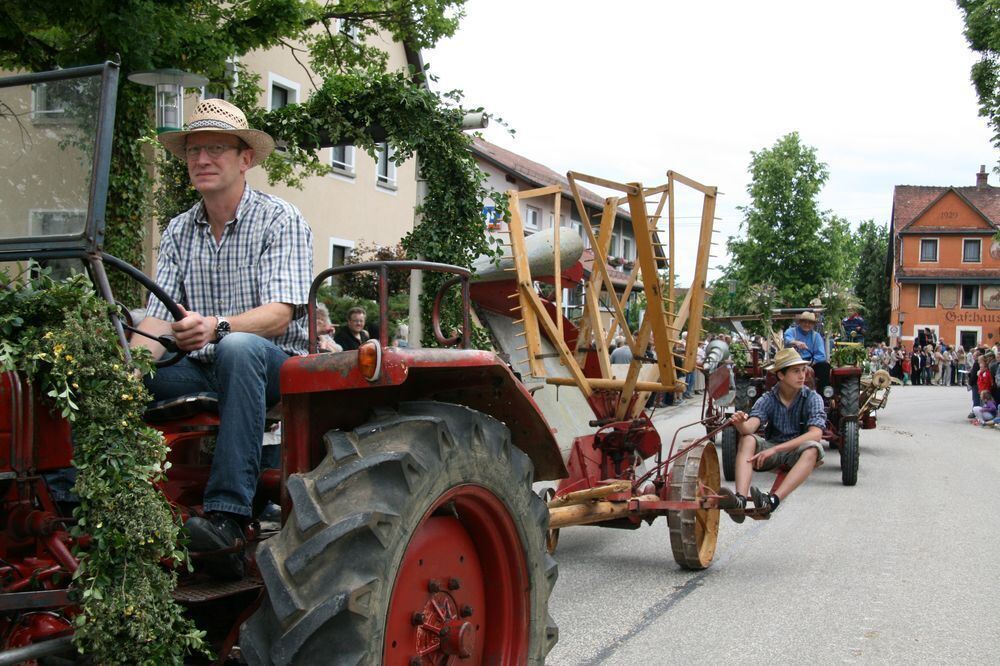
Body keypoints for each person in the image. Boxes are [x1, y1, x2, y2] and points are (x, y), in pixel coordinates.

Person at [133, 99, 313, 578]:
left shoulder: (280, 219)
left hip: (278, 365)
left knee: (237, 347)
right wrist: (127, 371)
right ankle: (106, 506)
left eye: (216, 148)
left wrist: (217, 326)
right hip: (204, 364)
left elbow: (279, 315)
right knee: (126, 378)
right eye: (194, 150)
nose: (202, 160)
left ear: (244, 159)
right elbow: (156, 323)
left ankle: (229, 519)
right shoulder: (177, 231)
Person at [721, 348, 825, 519]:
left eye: (803, 370)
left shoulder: (813, 398)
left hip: (796, 454)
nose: (802, 376)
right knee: (747, 440)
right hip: (771, 453)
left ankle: (772, 501)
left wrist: (776, 450)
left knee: (813, 448)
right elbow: (750, 427)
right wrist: (740, 424)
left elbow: (816, 434)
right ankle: (739, 500)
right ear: (781, 375)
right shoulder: (768, 399)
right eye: (795, 371)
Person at [783, 311, 830, 391]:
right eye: (805, 322)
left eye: (810, 323)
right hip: (792, 361)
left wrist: (811, 362)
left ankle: (823, 394)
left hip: (810, 362)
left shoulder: (816, 336)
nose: (807, 324)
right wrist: (796, 342)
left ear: (813, 325)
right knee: (778, 371)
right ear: (800, 322)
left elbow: (821, 355)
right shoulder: (791, 331)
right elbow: (787, 339)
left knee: (824, 366)